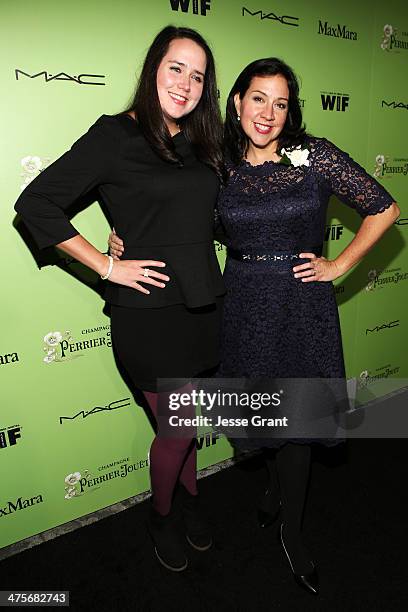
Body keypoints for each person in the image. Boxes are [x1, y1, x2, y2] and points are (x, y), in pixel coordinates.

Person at [109, 57, 399, 594]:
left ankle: (293, 532)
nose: (268, 113)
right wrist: (121, 240)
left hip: (301, 303)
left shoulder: (313, 155)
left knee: (300, 427)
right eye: (258, 99)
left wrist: (338, 265)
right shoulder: (215, 164)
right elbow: (169, 211)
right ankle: (270, 493)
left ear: (291, 112)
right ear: (237, 102)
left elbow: (384, 208)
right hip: (241, 300)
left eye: (281, 103)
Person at [14, 26, 226, 573]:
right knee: (178, 427)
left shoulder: (204, 144)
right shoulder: (116, 135)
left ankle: (193, 500)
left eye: (197, 74)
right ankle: (161, 515)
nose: (185, 83)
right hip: (149, 316)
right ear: (154, 68)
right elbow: (36, 203)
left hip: (203, 306)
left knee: (185, 425)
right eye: (176, 67)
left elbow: (204, 216)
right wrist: (109, 264)